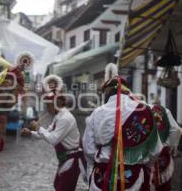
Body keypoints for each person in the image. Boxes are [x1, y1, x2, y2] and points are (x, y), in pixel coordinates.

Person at [83, 63, 163, 191]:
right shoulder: (144, 111)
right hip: (134, 175)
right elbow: (156, 149)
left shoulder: (97, 113)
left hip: (102, 176)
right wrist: (144, 163)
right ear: (126, 91)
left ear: (106, 93)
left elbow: (88, 149)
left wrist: (98, 160)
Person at [21, 74, 86, 191]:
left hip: (71, 160)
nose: (47, 108)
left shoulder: (65, 118)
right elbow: (47, 133)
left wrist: (38, 128)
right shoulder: (58, 116)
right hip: (64, 160)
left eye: (49, 105)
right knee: (58, 186)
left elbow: (53, 139)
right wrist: (31, 133)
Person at [150, 97, 181, 190]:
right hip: (162, 150)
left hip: (147, 152)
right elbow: (176, 130)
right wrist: (171, 146)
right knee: (163, 183)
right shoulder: (165, 111)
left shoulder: (144, 110)